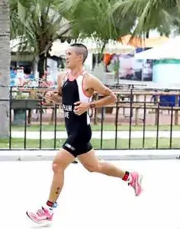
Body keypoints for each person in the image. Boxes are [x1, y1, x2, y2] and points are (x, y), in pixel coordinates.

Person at [26, 43, 143, 225]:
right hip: (71, 128)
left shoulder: (88, 80)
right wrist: (52, 97)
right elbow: (62, 99)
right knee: (94, 167)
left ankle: (48, 209)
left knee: (58, 165)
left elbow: (112, 97)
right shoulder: (62, 77)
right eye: (66, 54)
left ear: (79, 57)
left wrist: (90, 105)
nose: (66, 57)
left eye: (69, 54)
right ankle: (130, 177)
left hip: (81, 132)